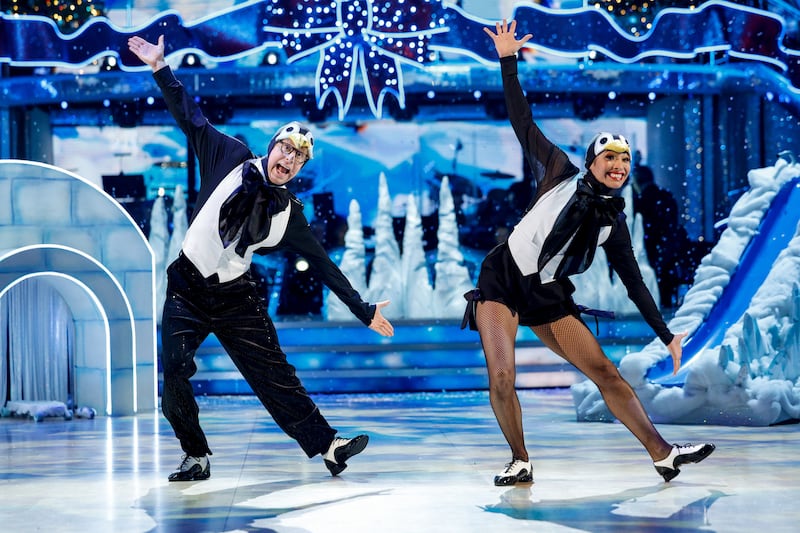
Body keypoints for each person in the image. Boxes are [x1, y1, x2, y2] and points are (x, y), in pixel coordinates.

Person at [127, 35, 394, 482]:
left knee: (274, 373)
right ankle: (196, 455)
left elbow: (326, 266)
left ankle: (328, 447)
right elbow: (190, 118)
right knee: (173, 369)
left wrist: (362, 310)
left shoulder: (289, 214)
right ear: (272, 148)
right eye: (285, 148)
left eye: (298, 158)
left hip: (236, 297)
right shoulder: (230, 156)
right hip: (188, 286)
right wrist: (160, 68)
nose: (288, 158)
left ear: (300, 170)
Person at [463, 20, 715, 486]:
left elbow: (635, 282)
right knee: (501, 376)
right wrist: (507, 60)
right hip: (502, 279)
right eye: (609, 159)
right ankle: (519, 458)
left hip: (548, 294)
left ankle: (661, 453)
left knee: (604, 371)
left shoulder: (613, 223)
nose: (618, 167)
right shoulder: (558, 170)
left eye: (624, 162)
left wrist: (667, 335)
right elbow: (523, 120)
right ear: (592, 162)